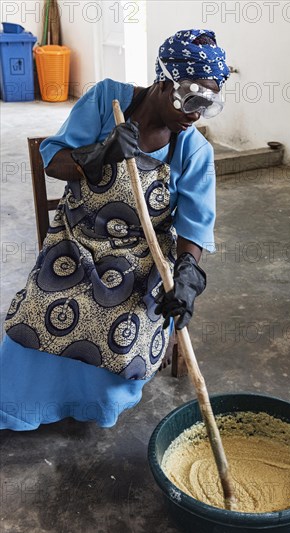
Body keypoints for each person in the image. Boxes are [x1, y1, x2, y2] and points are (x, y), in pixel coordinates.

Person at [0, 29, 230, 430]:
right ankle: (21, 406)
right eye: (189, 99)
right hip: (76, 237)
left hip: (141, 253)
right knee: (39, 307)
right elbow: (53, 162)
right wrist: (100, 152)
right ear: (163, 80)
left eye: (206, 106)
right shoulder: (109, 100)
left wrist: (189, 275)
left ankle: (98, 406)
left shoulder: (192, 150)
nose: (194, 114)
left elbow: (194, 227)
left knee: (122, 327)